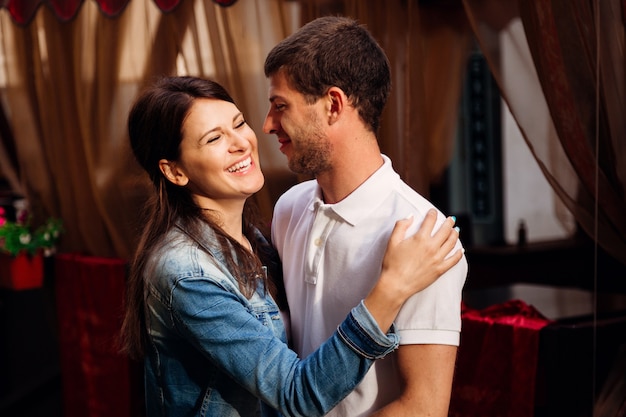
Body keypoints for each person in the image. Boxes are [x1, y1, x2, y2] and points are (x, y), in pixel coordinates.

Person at [119, 76, 463, 417]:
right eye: (213, 139)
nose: (240, 143)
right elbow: (296, 395)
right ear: (175, 171)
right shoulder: (185, 273)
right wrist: (392, 287)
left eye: (238, 123)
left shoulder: (256, 239)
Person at [263, 16, 469, 417]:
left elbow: (423, 407)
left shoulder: (423, 236)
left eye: (280, 106)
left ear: (334, 105)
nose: (268, 125)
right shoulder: (288, 208)